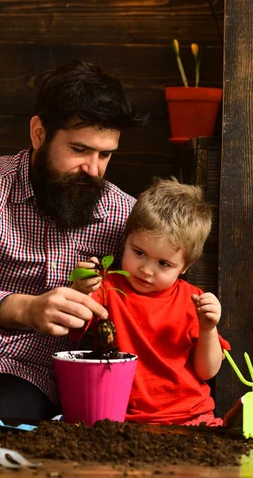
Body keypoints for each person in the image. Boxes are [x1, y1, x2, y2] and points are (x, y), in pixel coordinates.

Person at [0, 60, 145, 420]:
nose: (93, 170)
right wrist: (27, 309)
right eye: (79, 150)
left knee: (1, 409)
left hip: (28, 380)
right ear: (39, 133)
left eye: (105, 155)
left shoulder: (124, 214)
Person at [70, 177, 231, 426]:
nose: (146, 270)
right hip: (120, 418)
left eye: (163, 264)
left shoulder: (193, 300)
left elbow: (207, 371)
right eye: (139, 253)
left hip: (190, 416)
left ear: (185, 266)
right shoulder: (106, 287)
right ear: (126, 240)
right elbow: (72, 328)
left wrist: (209, 328)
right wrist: (79, 289)